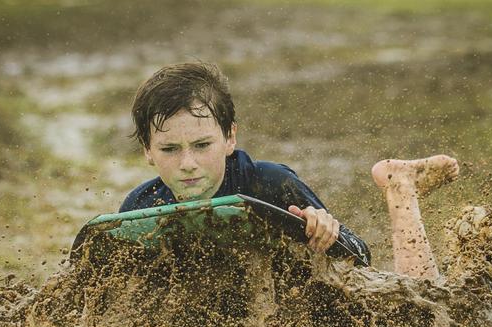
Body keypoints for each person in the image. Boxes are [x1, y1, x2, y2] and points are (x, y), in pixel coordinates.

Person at [119, 62, 371, 265]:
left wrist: (326, 231)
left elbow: (362, 259)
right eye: (170, 149)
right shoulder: (139, 210)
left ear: (230, 138)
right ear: (148, 150)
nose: (188, 163)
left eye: (202, 145)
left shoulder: (270, 184)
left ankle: (398, 187)